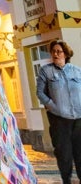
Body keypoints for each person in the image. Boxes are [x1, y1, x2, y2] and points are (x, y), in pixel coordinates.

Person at [36, 39, 81, 184]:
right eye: (53, 51)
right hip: (59, 121)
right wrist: (53, 106)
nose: (55, 54)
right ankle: (66, 180)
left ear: (66, 54)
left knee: (80, 153)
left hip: (79, 119)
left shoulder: (76, 71)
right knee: (64, 154)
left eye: (58, 51)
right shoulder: (46, 71)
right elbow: (40, 93)